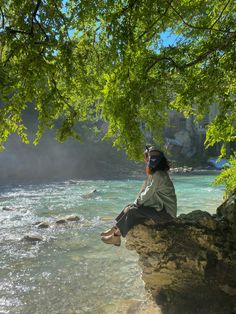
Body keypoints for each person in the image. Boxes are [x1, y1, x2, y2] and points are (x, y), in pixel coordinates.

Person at [100, 146, 177, 246]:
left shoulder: (158, 175)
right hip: (161, 210)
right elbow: (146, 194)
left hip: (166, 214)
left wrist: (135, 205)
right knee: (130, 206)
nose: (146, 161)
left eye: (147, 158)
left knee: (132, 211)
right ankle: (115, 228)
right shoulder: (156, 174)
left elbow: (147, 194)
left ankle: (116, 236)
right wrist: (134, 204)